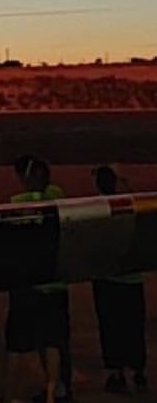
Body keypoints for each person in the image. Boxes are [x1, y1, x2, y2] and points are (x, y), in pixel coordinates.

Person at [0, 155, 70, 403]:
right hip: (55, 281)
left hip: (27, 284)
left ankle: (9, 396)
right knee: (52, 341)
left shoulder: (15, 203)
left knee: (17, 344)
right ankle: (52, 393)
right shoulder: (58, 196)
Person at [91, 165, 147, 394]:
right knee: (134, 325)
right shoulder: (129, 205)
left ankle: (117, 372)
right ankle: (137, 370)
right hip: (132, 277)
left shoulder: (96, 208)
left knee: (111, 326)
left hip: (108, 277)